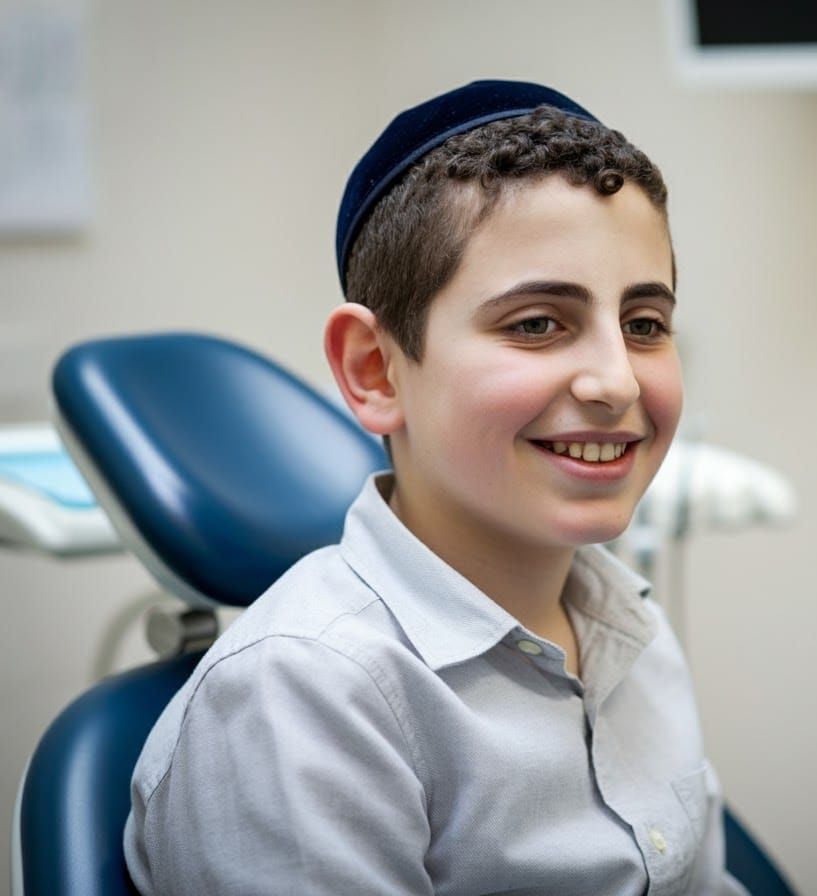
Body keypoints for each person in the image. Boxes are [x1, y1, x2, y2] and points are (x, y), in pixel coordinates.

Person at [124, 79, 746, 895]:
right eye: (536, 324)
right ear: (374, 369)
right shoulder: (302, 703)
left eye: (644, 325)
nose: (615, 382)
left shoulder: (631, 627)